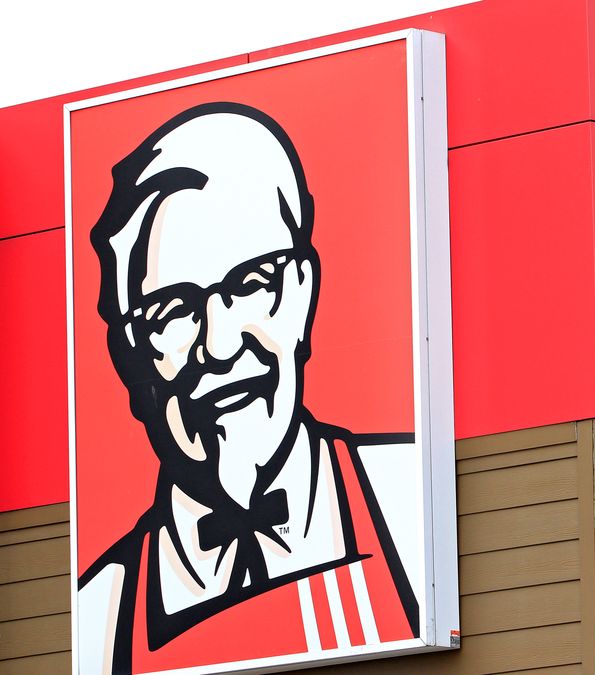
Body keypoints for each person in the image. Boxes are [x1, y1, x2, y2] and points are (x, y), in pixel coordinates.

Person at [77, 102, 420, 675]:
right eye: (171, 310)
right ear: (129, 356)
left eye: (252, 283)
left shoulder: (409, 509)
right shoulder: (99, 617)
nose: (220, 344)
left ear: (304, 294)